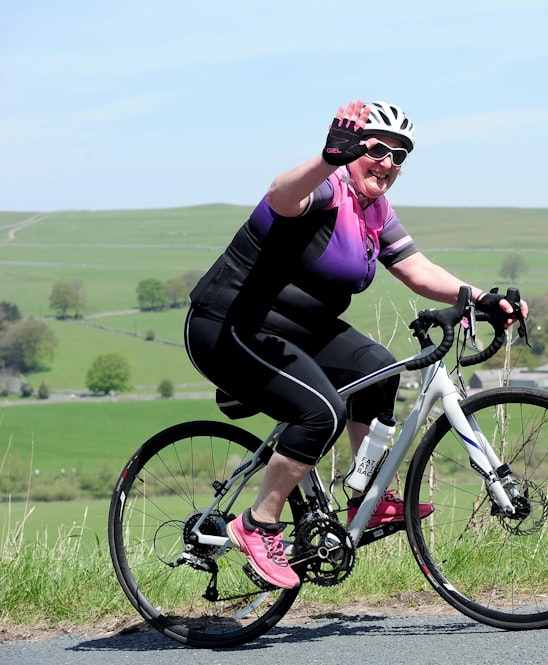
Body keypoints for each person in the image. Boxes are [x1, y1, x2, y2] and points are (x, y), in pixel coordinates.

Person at [184, 99, 528, 589]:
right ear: (352, 148)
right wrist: (327, 158)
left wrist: (480, 298)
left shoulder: (374, 209)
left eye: (400, 154)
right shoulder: (327, 187)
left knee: (379, 368)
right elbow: (281, 197)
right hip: (229, 324)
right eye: (377, 148)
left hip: (293, 331)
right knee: (322, 412)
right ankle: (259, 523)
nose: (388, 162)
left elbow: (417, 270)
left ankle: (364, 494)